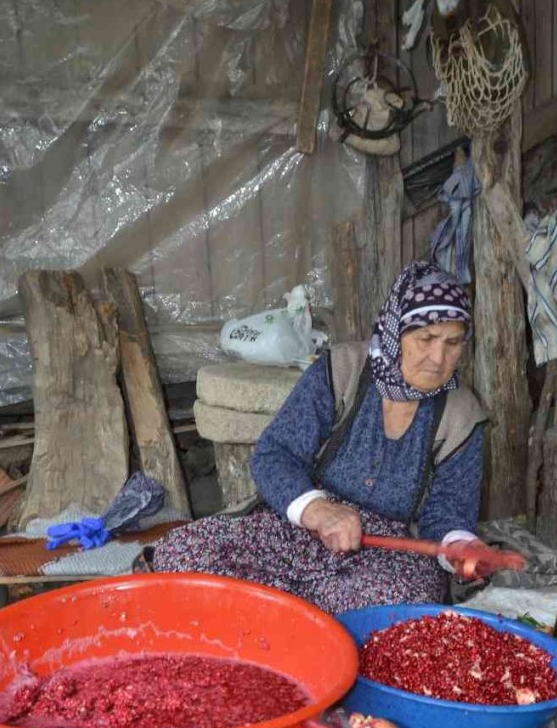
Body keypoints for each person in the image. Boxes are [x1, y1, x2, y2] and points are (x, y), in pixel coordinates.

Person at [151, 261, 488, 614]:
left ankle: (284, 615)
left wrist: (460, 546)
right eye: (426, 339)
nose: (438, 358)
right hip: (300, 531)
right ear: (396, 331)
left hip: (389, 555)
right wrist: (317, 509)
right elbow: (274, 454)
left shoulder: (461, 414)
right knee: (182, 554)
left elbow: (448, 511)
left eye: (452, 343)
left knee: (390, 609)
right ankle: (296, 614)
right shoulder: (341, 370)